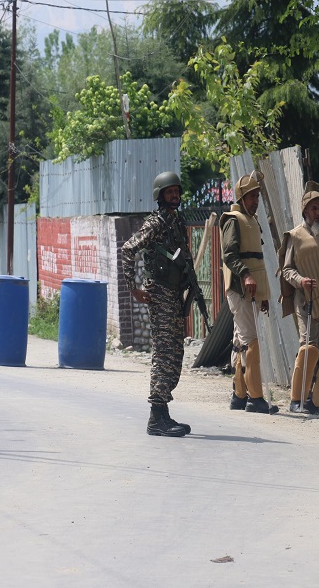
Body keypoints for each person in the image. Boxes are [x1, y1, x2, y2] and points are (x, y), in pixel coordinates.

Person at [121, 171, 193, 438]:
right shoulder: (157, 223)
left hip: (173, 293)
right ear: (160, 195)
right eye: (169, 192)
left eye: (176, 191)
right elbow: (128, 249)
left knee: (175, 352)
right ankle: (155, 418)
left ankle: (163, 412)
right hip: (159, 292)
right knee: (164, 352)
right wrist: (133, 288)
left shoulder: (176, 221)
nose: (174, 195)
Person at [278, 181, 319, 414]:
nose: (318, 212)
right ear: (305, 211)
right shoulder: (295, 236)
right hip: (305, 302)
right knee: (308, 348)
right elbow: (287, 270)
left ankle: (313, 402)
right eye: (314, 208)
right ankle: (296, 400)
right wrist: (301, 281)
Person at [219, 170, 277, 414]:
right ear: (242, 197)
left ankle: (239, 396)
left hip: (251, 290)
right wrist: (245, 275)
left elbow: (258, 261)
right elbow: (229, 255)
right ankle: (256, 398)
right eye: (252, 196)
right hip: (239, 289)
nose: (256, 201)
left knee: (240, 341)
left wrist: (262, 294)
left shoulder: (252, 220)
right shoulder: (233, 220)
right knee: (250, 340)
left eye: (258, 196)